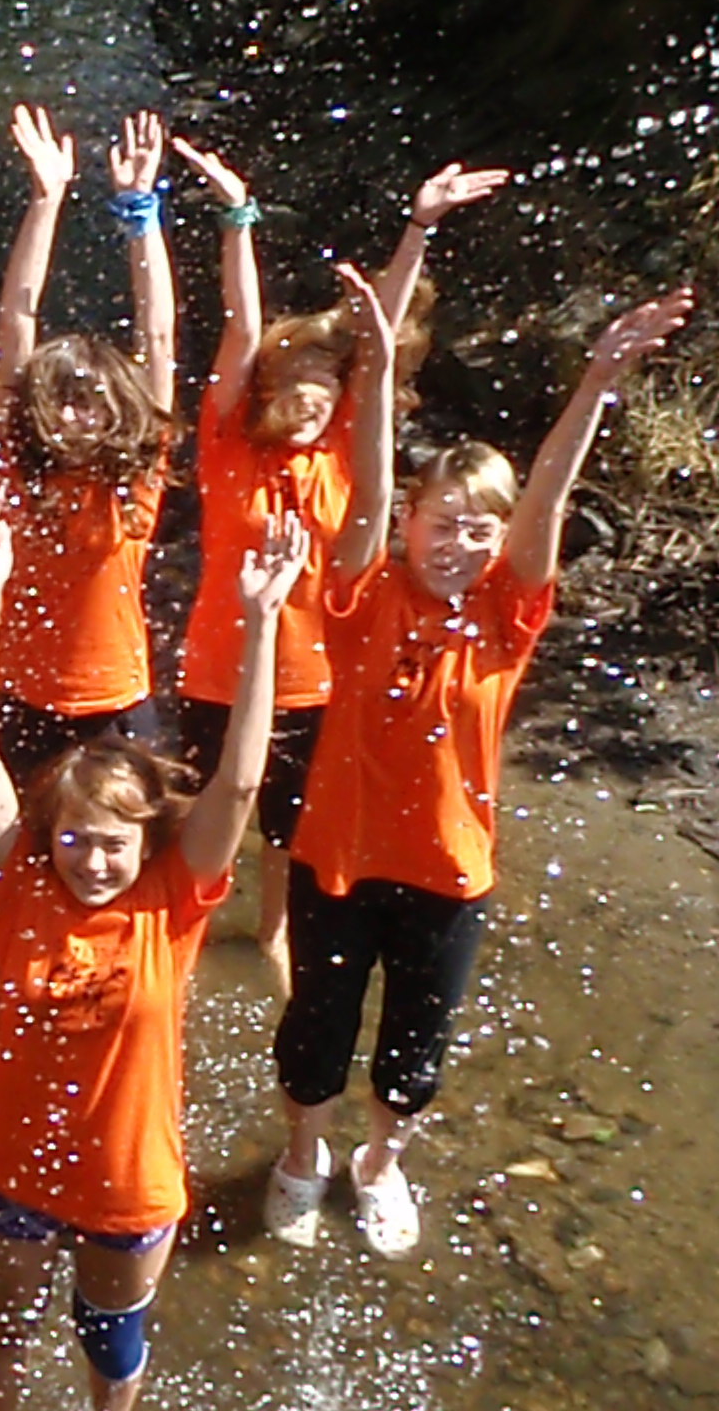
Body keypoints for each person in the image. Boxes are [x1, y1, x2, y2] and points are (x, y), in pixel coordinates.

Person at [265, 283, 694, 1257]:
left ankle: (380, 1165)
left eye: (478, 529)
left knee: (415, 1047)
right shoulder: (364, 594)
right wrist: (377, 374)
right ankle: (302, 1156)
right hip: (336, 860)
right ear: (409, 521)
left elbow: (545, 499)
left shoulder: (505, 616)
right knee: (316, 1028)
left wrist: (598, 377)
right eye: (441, 521)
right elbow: (366, 486)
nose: (457, 544)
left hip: (448, 873)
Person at [0, 478, 309, 1411]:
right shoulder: (21, 887)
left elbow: (238, 786)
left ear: (146, 844)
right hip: (18, 1165)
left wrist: (262, 623)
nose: (92, 859)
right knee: (12, 1324)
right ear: (49, 836)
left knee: (110, 1343)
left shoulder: (170, 900)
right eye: (74, 837)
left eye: (113, 842)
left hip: (130, 1181)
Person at [172, 152, 511, 995]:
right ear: (264, 389)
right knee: (201, 812)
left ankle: (273, 935)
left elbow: (379, 342)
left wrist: (419, 225)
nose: (311, 393)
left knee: (288, 831)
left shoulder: (342, 457)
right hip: (216, 674)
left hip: (317, 683)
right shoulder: (228, 448)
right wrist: (238, 219)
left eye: (326, 381)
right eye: (294, 378)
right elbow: (241, 329)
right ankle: (181, 934)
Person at [0, 109, 176, 780]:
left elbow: (157, 335)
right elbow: (17, 318)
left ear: (114, 409)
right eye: (61, 398)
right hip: (20, 698)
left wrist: (140, 213)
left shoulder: (137, 475)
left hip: (117, 701)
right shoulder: (21, 463)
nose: (72, 415)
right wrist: (46, 200)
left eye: (89, 401)